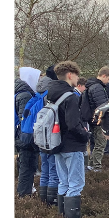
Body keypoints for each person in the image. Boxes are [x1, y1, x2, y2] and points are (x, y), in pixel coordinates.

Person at [44, 60, 90, 218]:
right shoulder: (70, 96)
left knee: (63, 181)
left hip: (56, 144)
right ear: (70, 75)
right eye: (77, 75)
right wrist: (85, 136)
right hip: (72, 145)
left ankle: (62, 216)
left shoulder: (51, 93)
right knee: (76, 183)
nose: (78, 79)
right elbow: (73, 124)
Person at [14, 65, 42, 199]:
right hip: (25, 137)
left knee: (25, 164)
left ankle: (25, 191)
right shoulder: (25, 95)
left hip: (19, 136)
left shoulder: (18, 92)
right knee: (27, 166)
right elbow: (25, 118)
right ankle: (24, 194)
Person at [84, 67, 109, 173]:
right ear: (103, 76)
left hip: (92, 119)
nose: (108, 82)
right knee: (101, 143)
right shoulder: (98, 87)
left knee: (97, 143)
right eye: (108, 79)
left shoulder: (91, 85)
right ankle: (96, 166)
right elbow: (103, 106)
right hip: (99, 120)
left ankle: (91, 164)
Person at [34, 67, 60, 206]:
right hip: (51, 135)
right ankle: (52, 201)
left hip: (39, 136)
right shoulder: (53, 91)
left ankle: (43, 198)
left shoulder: (37, 89)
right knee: (53, 168)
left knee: (45, 168)